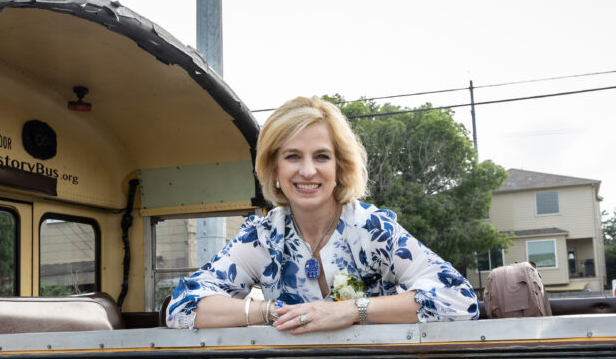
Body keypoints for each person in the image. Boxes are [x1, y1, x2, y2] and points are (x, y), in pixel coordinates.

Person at [166, 96, 478, 332]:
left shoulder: (371, 230)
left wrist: (355, 310)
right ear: (274, 168)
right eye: (292, 156)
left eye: (321, 156)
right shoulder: (263, 238)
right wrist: (270, 312)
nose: (307, 170)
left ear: (339, 167)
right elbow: (182, 306)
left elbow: (460, 299)